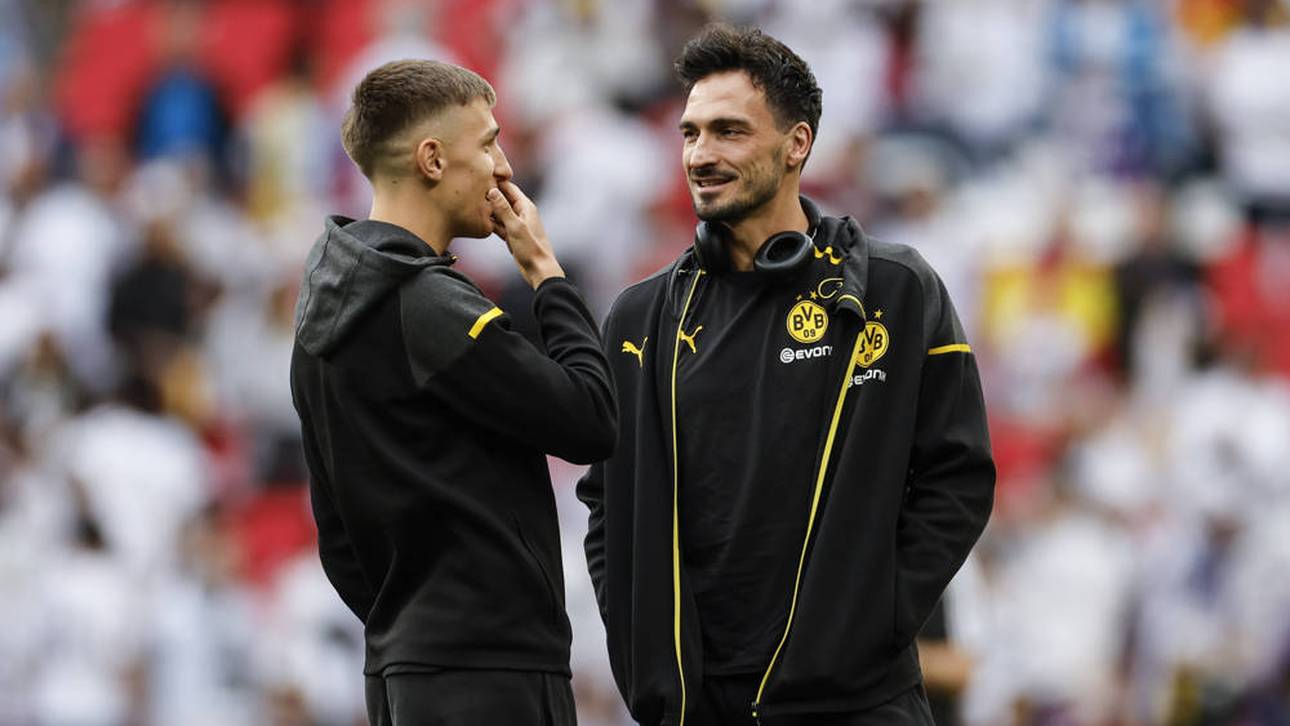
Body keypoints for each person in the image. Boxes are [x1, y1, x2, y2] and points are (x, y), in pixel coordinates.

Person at [577, 25, 994, 725]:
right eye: (691, 133)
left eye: (729, 131)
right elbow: (607, 506)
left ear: (797, 144)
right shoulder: (637, 321)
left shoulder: (895, 290)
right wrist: (642, 653)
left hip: (859, 703)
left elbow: (958, 476)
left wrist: (876, 620)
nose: (701, 154)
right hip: (699, 709)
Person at [290, 59, 616, 726]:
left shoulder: (319, 313)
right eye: (489, 143)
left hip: (403, 671)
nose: (504, 168)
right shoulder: (429, 304)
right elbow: (591, 419)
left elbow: (337, 538)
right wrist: (546, 273)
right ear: (432, 159)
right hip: (489, 671)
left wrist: (413, 625)